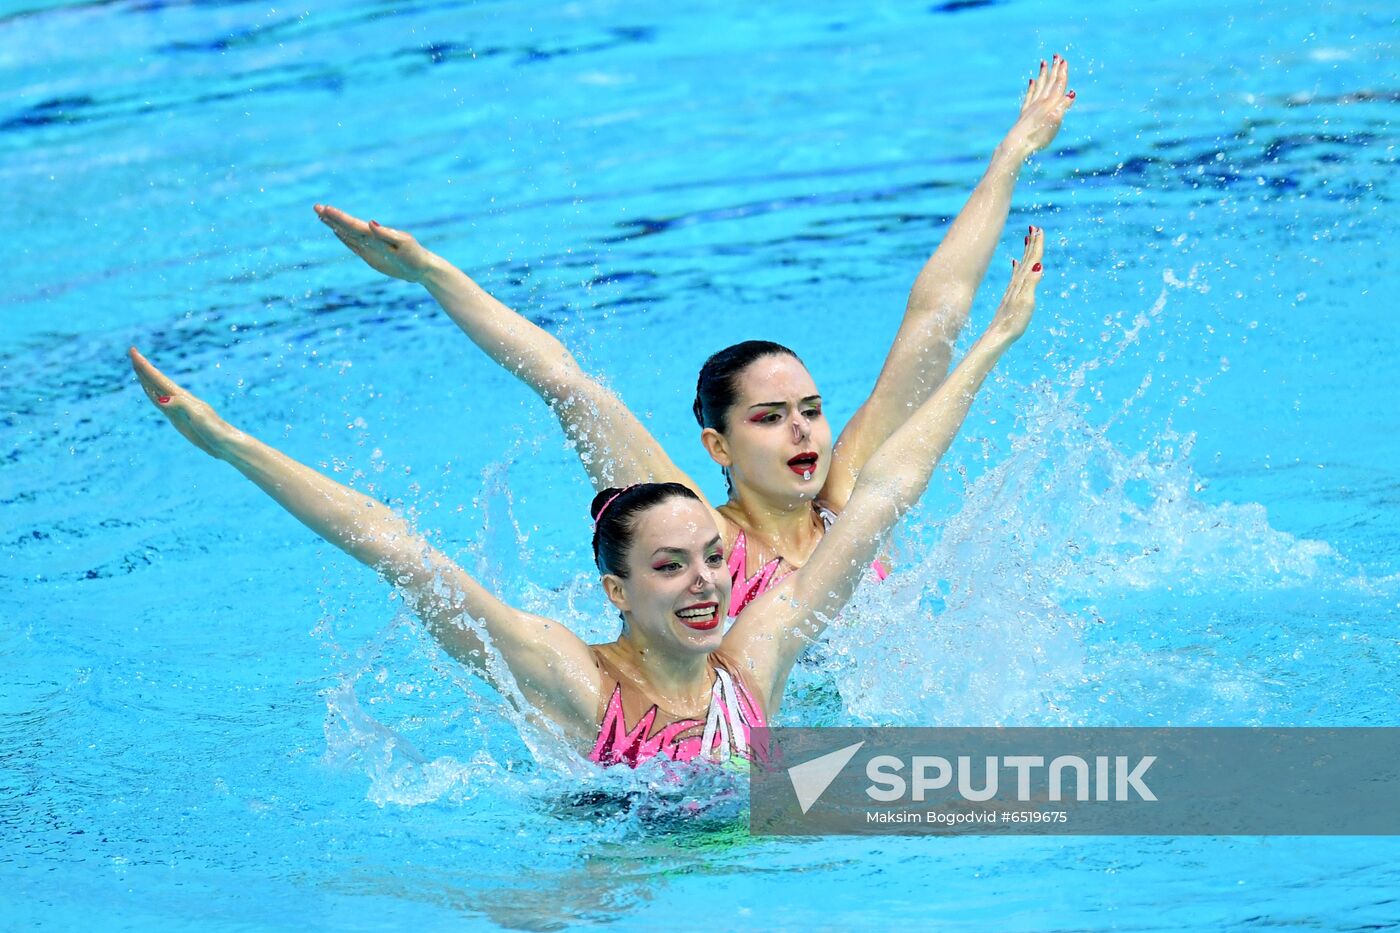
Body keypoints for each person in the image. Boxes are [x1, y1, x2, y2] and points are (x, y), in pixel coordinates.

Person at [129, 230, 1047, 768]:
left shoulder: (756, 658)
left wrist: (998, 340)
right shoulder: (574, 680)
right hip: (617, 882)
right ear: (616, 588)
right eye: (671, 565)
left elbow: (889, 489)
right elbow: (399, 551)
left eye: (713, 564)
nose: (707, 585)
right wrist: (228, 443)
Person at [312, 57, 1075, 617]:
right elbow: (563, 382)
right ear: (718, 446)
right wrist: (432, 275)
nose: (802, 428)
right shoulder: (701, 541)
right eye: (769, 416)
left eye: (809, 407)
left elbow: (932, 317)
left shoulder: (847, 497)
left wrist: (1013, 154)